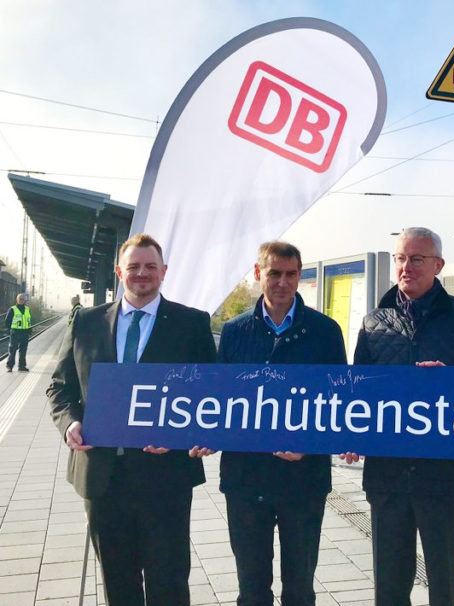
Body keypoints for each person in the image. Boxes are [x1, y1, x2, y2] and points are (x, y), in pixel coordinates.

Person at [46, 233, 216, 606]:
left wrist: (189, 435)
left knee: (168, 583)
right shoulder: (85, 322)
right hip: (103, 477)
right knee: (118, 584)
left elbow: (212, 396)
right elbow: (59, 388)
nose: (142, 274)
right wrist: (70, 424)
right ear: (119, 271)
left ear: (164, 272)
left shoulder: (191, 325)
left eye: (151, 267)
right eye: (134, 266)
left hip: (165, 477)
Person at [344, 227, 454, 605]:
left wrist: (452, 381)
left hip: (447, 478)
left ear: (438, 266)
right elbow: (357, 394)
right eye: (400, 258)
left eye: (416, 259)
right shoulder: (373, 323)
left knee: (449, 589)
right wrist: (351, 435)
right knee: (390, 588)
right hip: (388, 478)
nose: (406, 267)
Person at [217, 241, 347, 606]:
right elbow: (220, 401)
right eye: (274, 273)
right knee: (251, 591)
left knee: (300, 590)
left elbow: (339, 405)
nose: (282, 282)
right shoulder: (234, 332)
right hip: (245, 481)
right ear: (258, 274)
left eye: (291, 274)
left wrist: (311, 445)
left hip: (304, 482)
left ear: (299, 276)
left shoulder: (325, 332)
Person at [5, 292, 31, 372]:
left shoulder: (27, 309)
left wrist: (29, 330)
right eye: (20, 299)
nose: (21, 300)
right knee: (12, 350)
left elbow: (28, 320)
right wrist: (11, 330)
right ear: (17, 300)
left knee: (23, 350)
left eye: (23, 299)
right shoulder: (12, 309)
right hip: (15, 332)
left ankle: (21, 366)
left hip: (24, 332)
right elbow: (7, 321)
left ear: (25, 300)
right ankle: (10, 366)